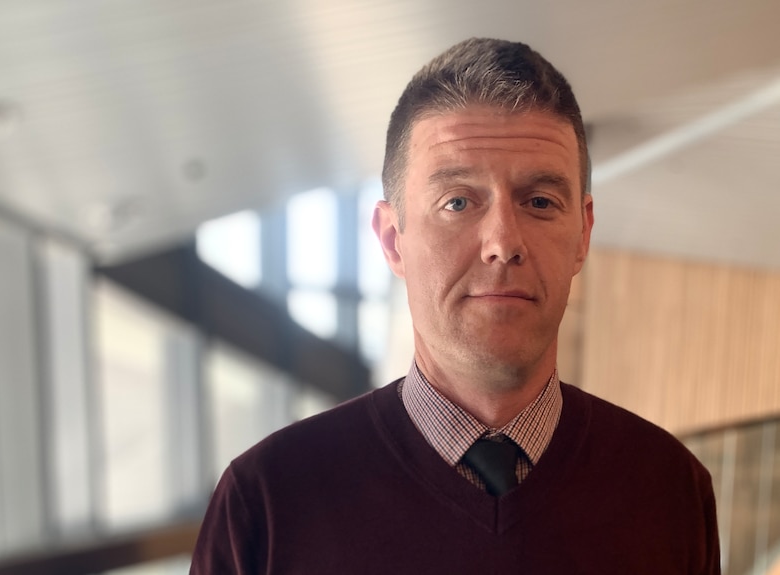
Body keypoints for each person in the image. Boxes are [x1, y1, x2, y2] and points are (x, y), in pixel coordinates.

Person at [189, 38, 720, 574]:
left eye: (539, 202)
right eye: (458, 202)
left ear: (582, 233)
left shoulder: (669, 490)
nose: (502, 242)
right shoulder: (270, 503)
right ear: (394, 239)